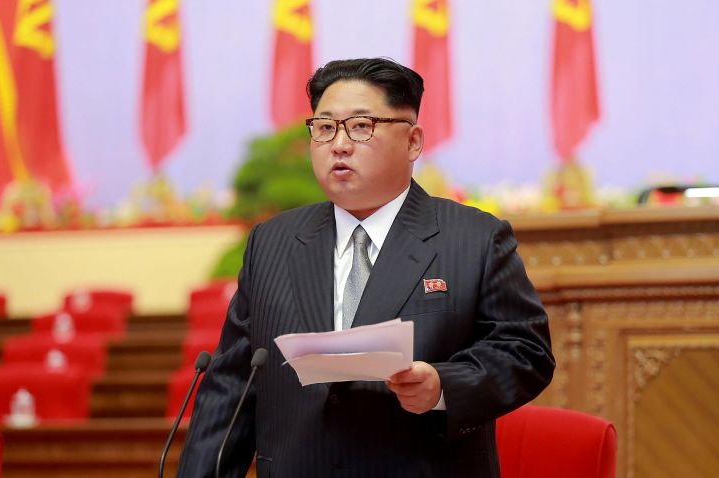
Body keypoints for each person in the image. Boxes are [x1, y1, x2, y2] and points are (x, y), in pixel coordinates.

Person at [177, 57, 554, 478]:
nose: (339, 144)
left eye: (360, 126)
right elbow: (230, 387)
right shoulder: (273, 243)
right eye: (324, 127)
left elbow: (526, 352)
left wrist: (443, 386)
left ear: (413, 142)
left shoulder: (474, 238)